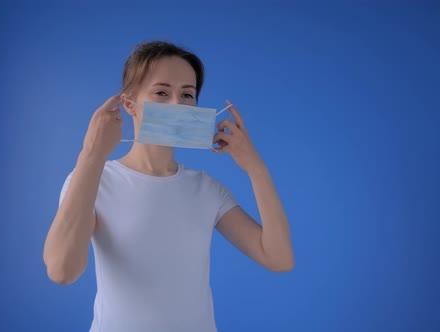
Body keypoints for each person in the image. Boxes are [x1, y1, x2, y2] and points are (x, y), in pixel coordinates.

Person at [42, 41, 295, 332]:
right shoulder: (94, 180)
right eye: (162, 92)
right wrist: (91, 155)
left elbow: (279, 258)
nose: (177, 104)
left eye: (187, 95)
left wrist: (255, 167)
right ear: (128, 104)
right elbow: (62, 270)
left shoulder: (206, 189)